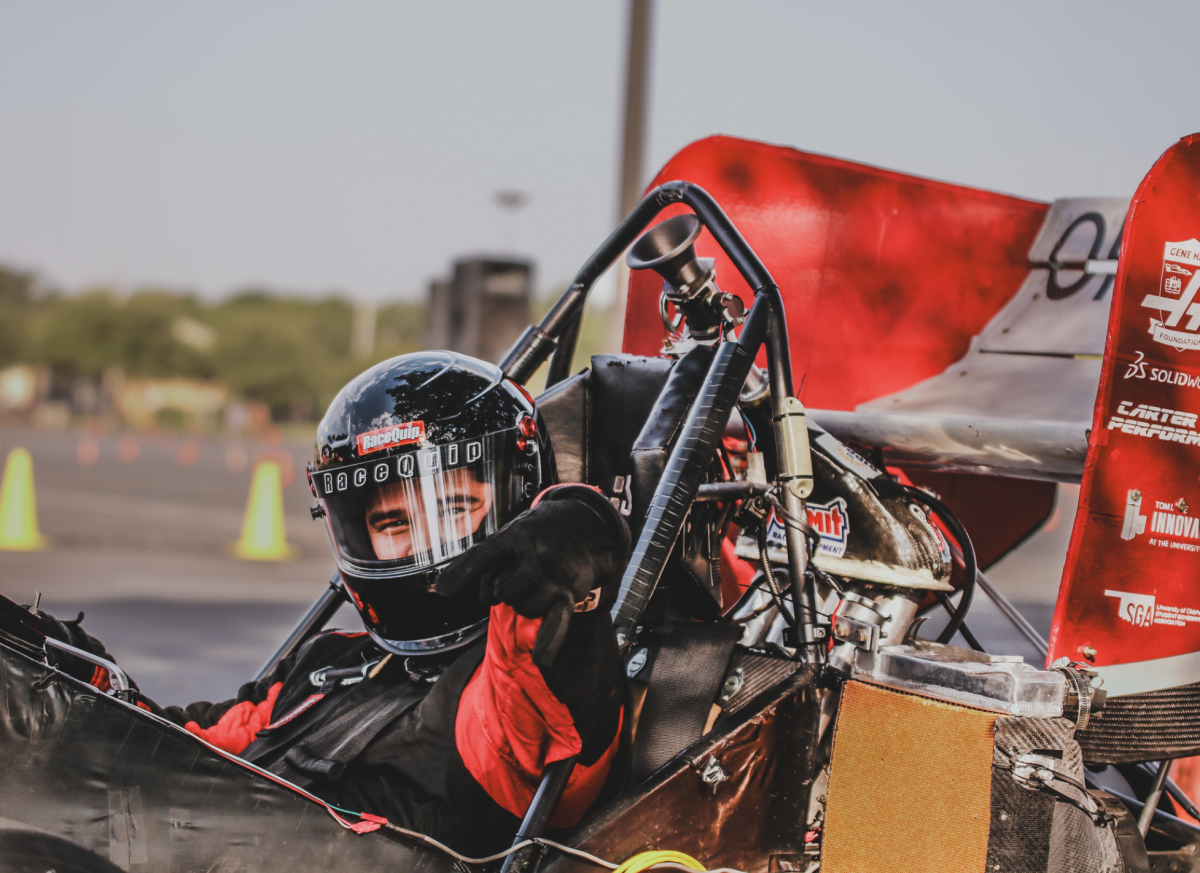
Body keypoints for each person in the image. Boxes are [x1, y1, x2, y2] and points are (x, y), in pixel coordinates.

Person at [38, 351, 631, 856]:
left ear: (518, 506)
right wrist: (72, 675)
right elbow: (188, 747)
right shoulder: (329, 663)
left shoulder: (502, 694)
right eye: (392, 521)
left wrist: (576, 545)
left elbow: (550, 700)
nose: (423, 544)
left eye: (452, 509)